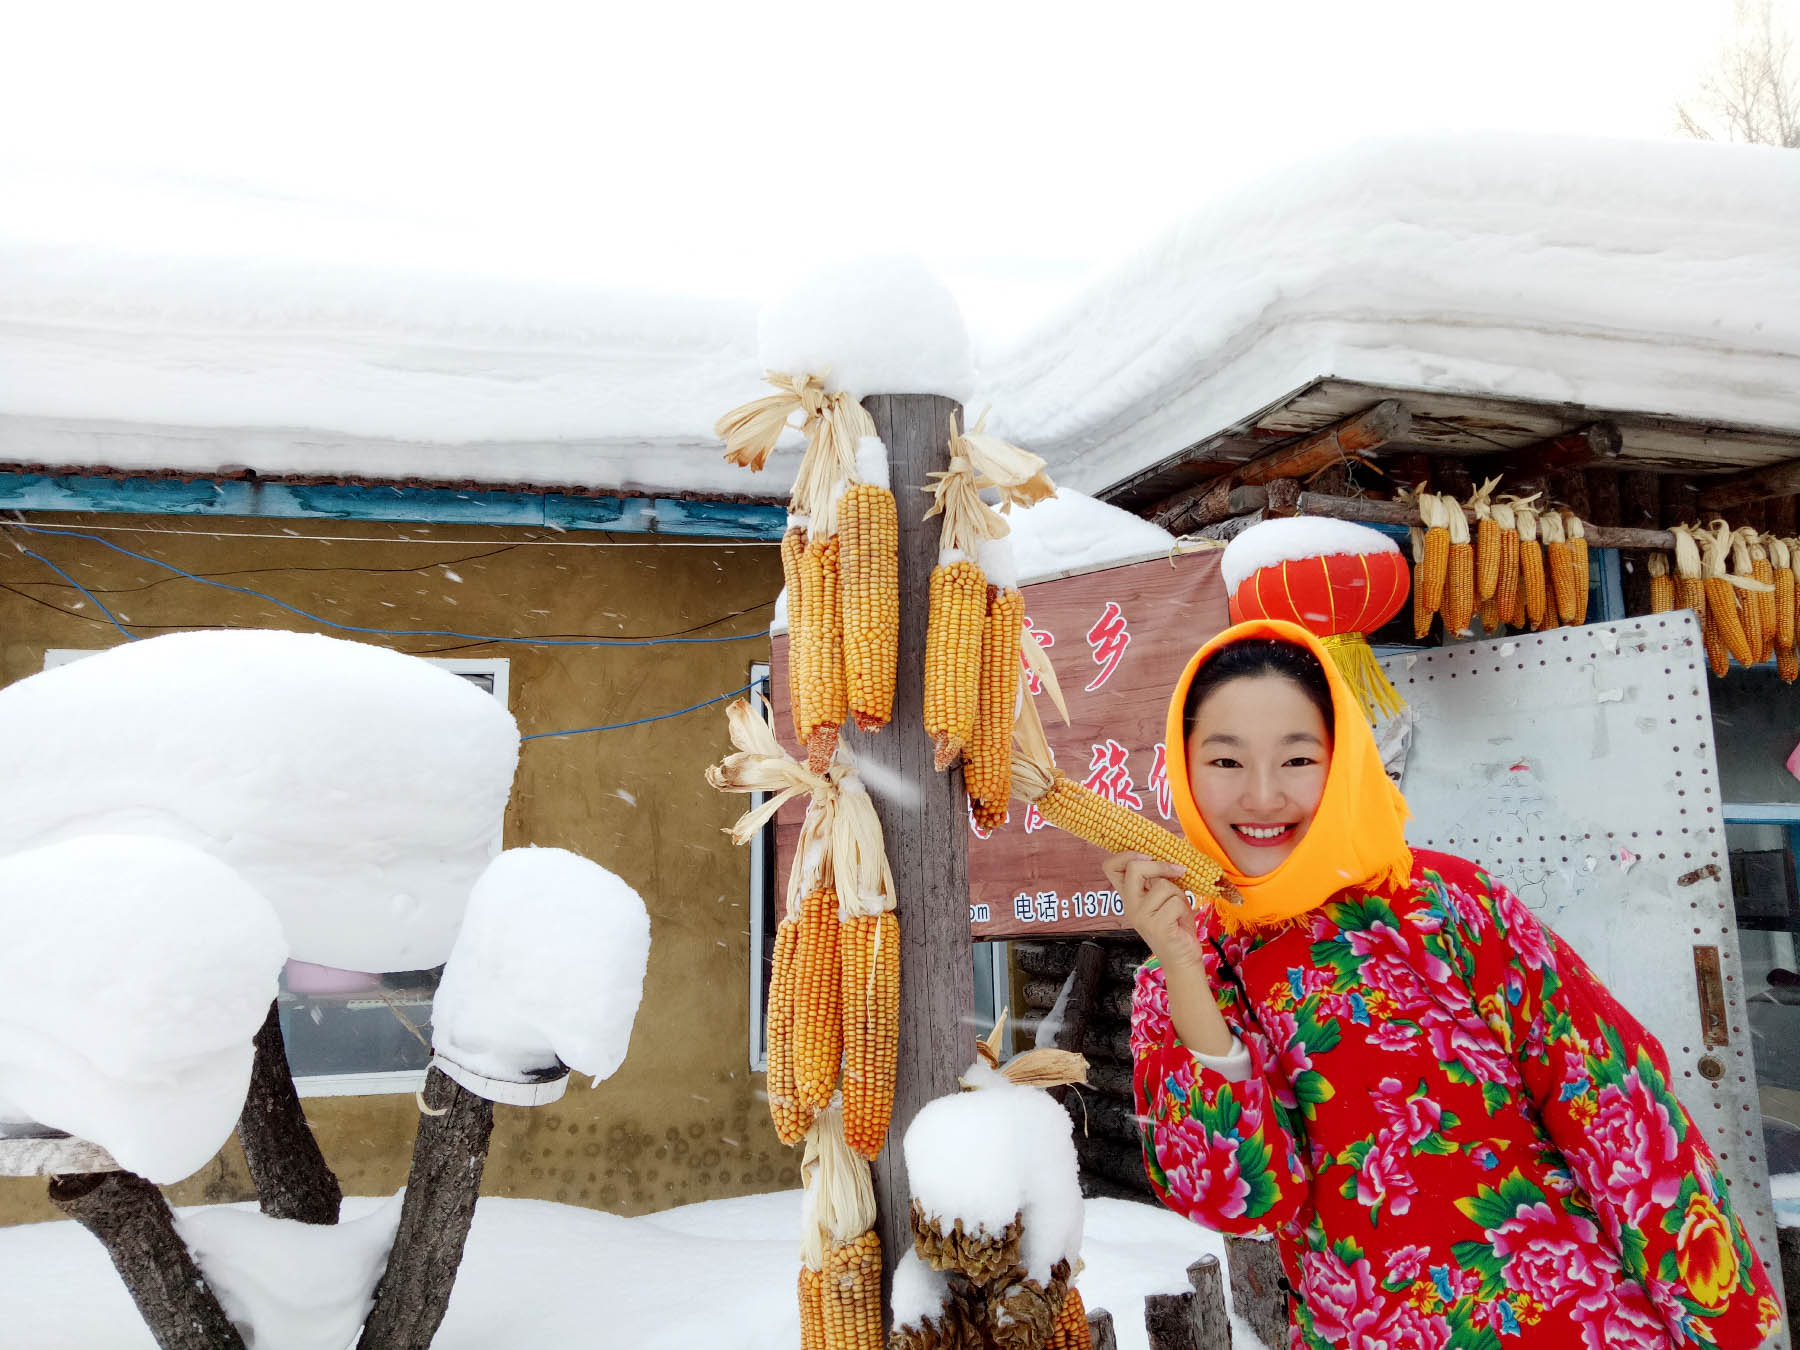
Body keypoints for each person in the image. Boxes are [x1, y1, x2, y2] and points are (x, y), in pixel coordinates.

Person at [1109, 617, 1781, 1349]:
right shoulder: (1187, 971)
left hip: (1575, 1325)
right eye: (1227, 762)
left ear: (1341, 762)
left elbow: (1615, 1108)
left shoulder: (1442, 902)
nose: (1263, 797)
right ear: (1183, 767)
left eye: (1298, 759)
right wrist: (1180, 962)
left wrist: (1723, 1326)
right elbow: (1244, 1203)